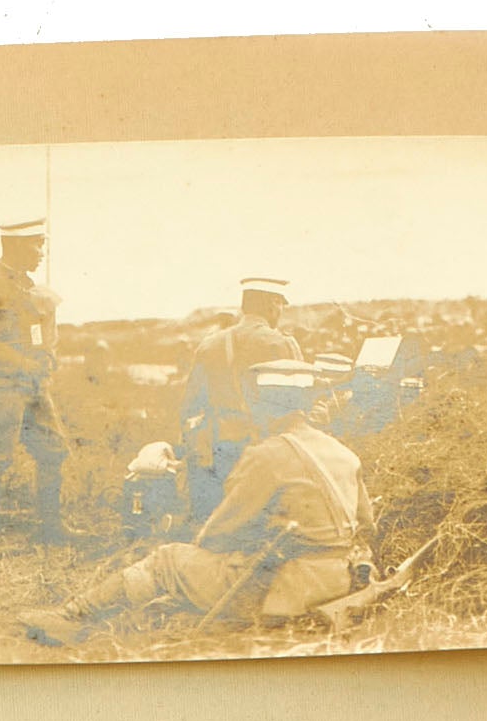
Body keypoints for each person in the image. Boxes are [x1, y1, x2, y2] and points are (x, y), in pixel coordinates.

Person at [20, 360, 376, 647]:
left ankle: (73, 617)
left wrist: (204, 549)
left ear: (264, 405)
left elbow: (219, 532)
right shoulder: (343, 453)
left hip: (284, 591)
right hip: (336, 582)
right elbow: (367, 525)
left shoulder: (267, 455)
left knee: (167, 559)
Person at [0, 216, 75, 542]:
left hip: (33, 386)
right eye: (37, 244)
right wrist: (23, 364)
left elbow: (41, 336)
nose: (42, 253)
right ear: (16, 245)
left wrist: (47, 357)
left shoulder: (32, 290)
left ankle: (51, 528)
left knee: (53, 451)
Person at [179, 277, 303, 525]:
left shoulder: (209, 345)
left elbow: (190, 407)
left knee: (223, 523)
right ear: (272, 304)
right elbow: (298, 405)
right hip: (266, 450)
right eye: (280, 304)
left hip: (218, 450)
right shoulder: (282, 343)